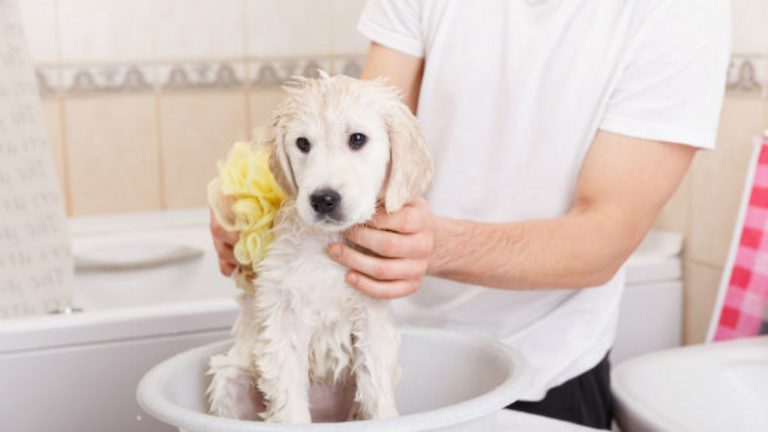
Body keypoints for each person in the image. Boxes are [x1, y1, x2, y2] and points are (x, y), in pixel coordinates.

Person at [211, 0, 730, 428]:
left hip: (542, 368)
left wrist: (439, 247)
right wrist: (258, 213)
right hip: (384, 343)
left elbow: (604, 237)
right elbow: (366, 133)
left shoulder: (680, 13)